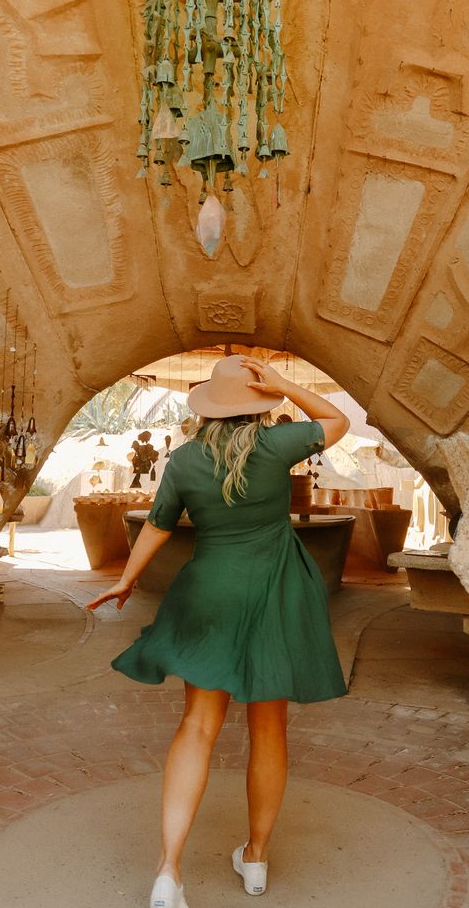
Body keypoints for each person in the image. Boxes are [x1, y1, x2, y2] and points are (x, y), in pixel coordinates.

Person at [86, 355, 350, 907]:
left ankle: (168, 873)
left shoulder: (183, 460)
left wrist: (126, 580)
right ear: (257, 405)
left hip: (209, 589)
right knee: (269, 728)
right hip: (277, 590)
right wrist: (283, 384)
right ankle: (255, 858)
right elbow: (336, 422)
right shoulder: (277, 446)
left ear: (207, 410)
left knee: (198, 725)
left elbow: (158, 524)